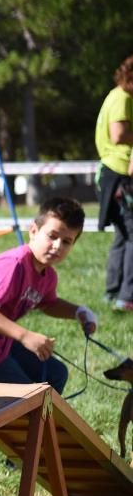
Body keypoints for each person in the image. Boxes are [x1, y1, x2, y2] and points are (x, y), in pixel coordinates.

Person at [0, 197, 98, 397]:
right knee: (26, 400)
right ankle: (18, 425)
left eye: (66, 241)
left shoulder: (47, 275)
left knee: (56, 374)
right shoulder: (13, 264)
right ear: (33, 231)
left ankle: (37, 425)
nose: (57, 246)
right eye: (52, 236)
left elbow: (48, 304)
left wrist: (79, 312)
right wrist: (25, 336)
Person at [95, 53, 133, 312]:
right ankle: (127, 297)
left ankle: (112, 293)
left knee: (122, 236)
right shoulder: (123, 98)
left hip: (113, 174)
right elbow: (118, 135)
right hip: (119, 175)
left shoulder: (117, 95)